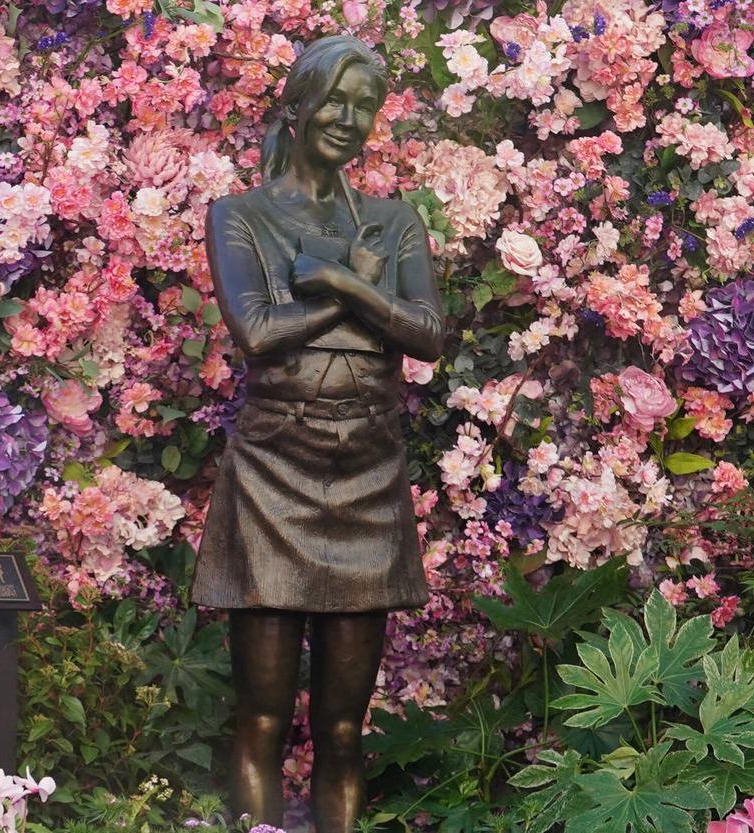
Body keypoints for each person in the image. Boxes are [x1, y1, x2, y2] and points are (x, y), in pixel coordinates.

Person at [189, 35, 446, 833]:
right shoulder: (238, 216)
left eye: (363, 106)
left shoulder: (392, 222)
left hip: (366, 470)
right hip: (274, 473)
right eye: (333, 100)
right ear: (294, 109)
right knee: (259, 718)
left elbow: (427, 333)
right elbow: (260, 333)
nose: (347, 118)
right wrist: (364, 296)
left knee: (342, 729)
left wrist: (331, 279)